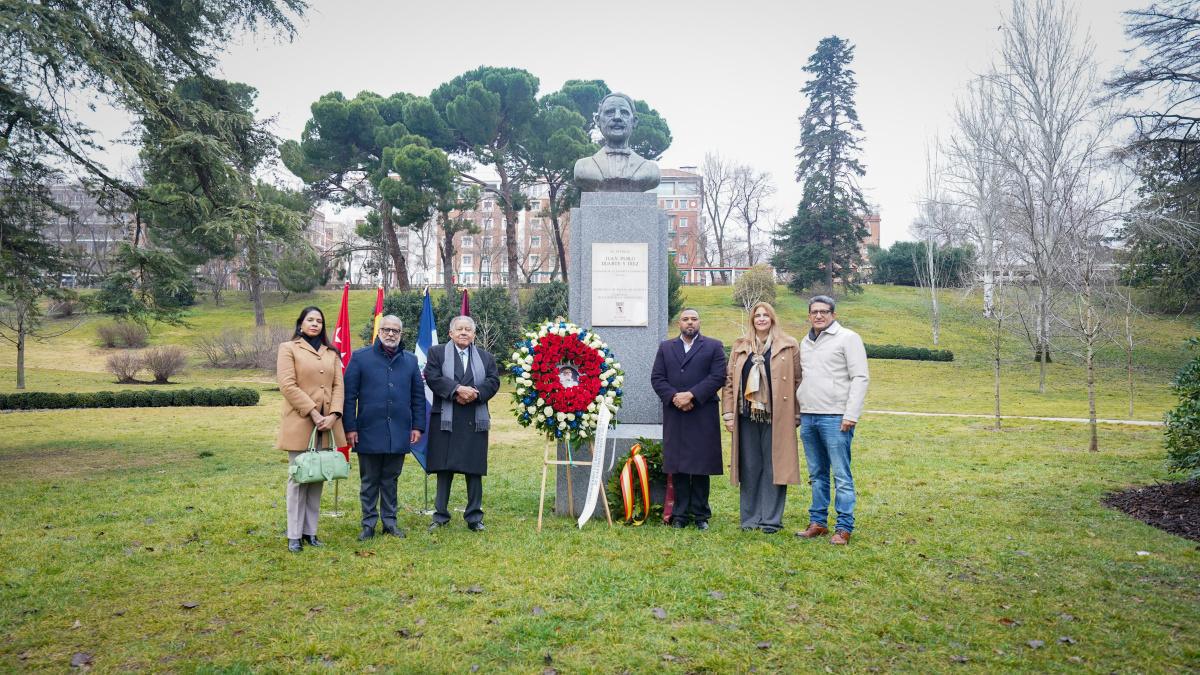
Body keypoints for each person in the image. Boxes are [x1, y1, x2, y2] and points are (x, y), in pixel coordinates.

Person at [342, 315, 427, 541]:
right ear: (378, 332)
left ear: (401, 334)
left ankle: (390, 522)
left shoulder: (410, 361)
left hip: (399, 431)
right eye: (387, 330)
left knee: (391, 479)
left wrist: (417, 426)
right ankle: (368, 524)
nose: (391, 334)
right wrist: (350, 427)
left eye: (396, 331)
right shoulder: (360, 358)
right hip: (368, 430)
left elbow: (418, 396)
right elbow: (349, 396)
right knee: (369, 480)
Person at [722, 301, 802, 534]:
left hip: (777, 417)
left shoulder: (788, 345)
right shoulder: (740, 346)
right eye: (757, 315)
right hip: (746, 416)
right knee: (749, 466)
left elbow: (798, 381)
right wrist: (728, 414)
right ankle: (750, 518)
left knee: (774, 467)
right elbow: (728, 382)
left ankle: (770, 520)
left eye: (766, 315)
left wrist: (796, 414)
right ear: (752, 320)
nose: (761, 319)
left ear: (773, 319)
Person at [796, 295, 869, 546]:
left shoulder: (848, 338)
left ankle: (844, 527)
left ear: (833, 314)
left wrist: (851, 414)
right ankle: (818, 523)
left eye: (824, 311)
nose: (819, 315)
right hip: (809, 416)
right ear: (809, 315)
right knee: (817, 474)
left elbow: (860, 377)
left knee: (841, 475)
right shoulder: (804, 342)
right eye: (814, 311)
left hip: (836, 417)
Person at [276, 306, 346, 553]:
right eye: (310, 320)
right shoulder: (289, 348)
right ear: (301, 323)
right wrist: (314, 412)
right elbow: (287, 384)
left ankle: (310, 532)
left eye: (319, 320)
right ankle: (294, 535)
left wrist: (334, 415)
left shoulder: (331, 353)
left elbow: (339, 386)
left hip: (327, 425)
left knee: (317, 477)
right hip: (301, 422)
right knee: (298, 478)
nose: (315, 324)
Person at [651, 309, 727, 530]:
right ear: (679, 324)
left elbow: (718, 376)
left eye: (694, 319)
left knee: (701, 465)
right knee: (680, 464)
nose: (690, 323)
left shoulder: (713, 346)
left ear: (699, 322)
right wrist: (674, 397)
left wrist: (692, 395)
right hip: (676, 413)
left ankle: (701, 514)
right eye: (686, 319)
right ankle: (680, 515)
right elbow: (657, 378)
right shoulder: (666, 348)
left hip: (702, 411)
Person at [423, 316, 501, 532]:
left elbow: (493, 381)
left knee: (473, 469)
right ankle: (440, 516)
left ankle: (474, 517)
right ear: (451, 333)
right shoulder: (437, 353)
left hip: (474, 420)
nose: (464, 332)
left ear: (474, 335)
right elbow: (432, 376)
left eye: (468, 329)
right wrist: (457, 390)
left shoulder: (486, 357)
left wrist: (474, 394)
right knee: (444, 469)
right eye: (460, 329)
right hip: (446, 420)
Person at [573, 92, 661, 192]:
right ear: (598, 120)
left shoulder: (650, 170)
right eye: (609, 112)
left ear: (634, 121)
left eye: (624, 112)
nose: (617, 117)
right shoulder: (583, 167)